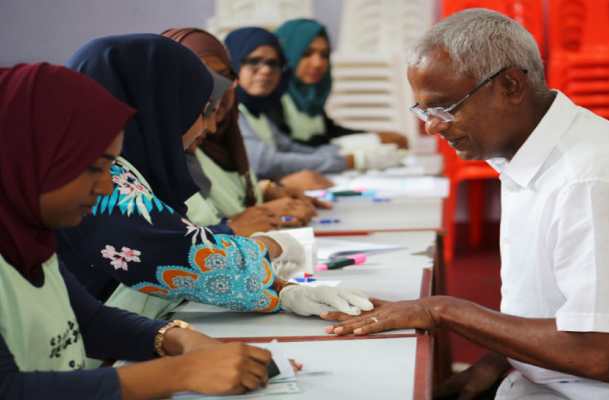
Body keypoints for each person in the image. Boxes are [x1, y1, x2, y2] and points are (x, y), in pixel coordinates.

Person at [323, 9, 609, 400]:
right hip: (559, 381)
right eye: (424, 111)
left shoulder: (590, 180)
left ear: (511, 86)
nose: (432, 127)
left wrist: (443, 310)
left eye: (445, 108)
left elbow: (599, 355)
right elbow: (555, 304)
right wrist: (495, 363)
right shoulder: (530, 152)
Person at [0, 62, 277, 399]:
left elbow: (88, 320)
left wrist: (175, 337)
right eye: (93, 168)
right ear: (27, 157)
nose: (105, 187)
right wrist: (179, 372)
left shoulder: (31, 242)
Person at [56, 34, 373, 323]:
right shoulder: (95, 176)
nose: (205, 127)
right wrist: (272, 258)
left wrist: (280, 285)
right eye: (199, 109)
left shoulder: (119, 163)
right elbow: (175, 256)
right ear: (162, 109)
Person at [161, 27, 324, 234]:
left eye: (223, 76)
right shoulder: (180, 148)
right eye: (201, 76)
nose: (213, 88)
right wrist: (237, 225)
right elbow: (184, 240)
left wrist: (263, 192)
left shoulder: (221, 134)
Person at [224, 27, 403, 188]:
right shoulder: (232, 111)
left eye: (273, 63)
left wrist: (362, 149)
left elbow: (293, 146)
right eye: (254, 61)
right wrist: (352, 159)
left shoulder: (257, 109)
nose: (265, 71)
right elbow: (267, 162)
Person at [270, 18, 408, 152]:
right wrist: (373, 141)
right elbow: (292, 148)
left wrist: (376, 136)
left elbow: (330, 133)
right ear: (286, 54)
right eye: (307, 54)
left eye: (324, 55)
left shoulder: (309, 98)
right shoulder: (271, 98)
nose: (318, 63)